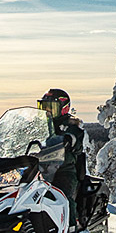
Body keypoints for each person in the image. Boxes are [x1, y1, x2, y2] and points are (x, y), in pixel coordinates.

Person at [37, 88, 86, 223]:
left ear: (63, 108)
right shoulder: (40, 125)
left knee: (63, 196)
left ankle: (72, 232)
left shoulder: (71, 125)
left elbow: (75, 138)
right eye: (44, 107)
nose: (47, 111)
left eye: (51, 107)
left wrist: (69, 139)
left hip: (63, 169)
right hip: (39, 168)